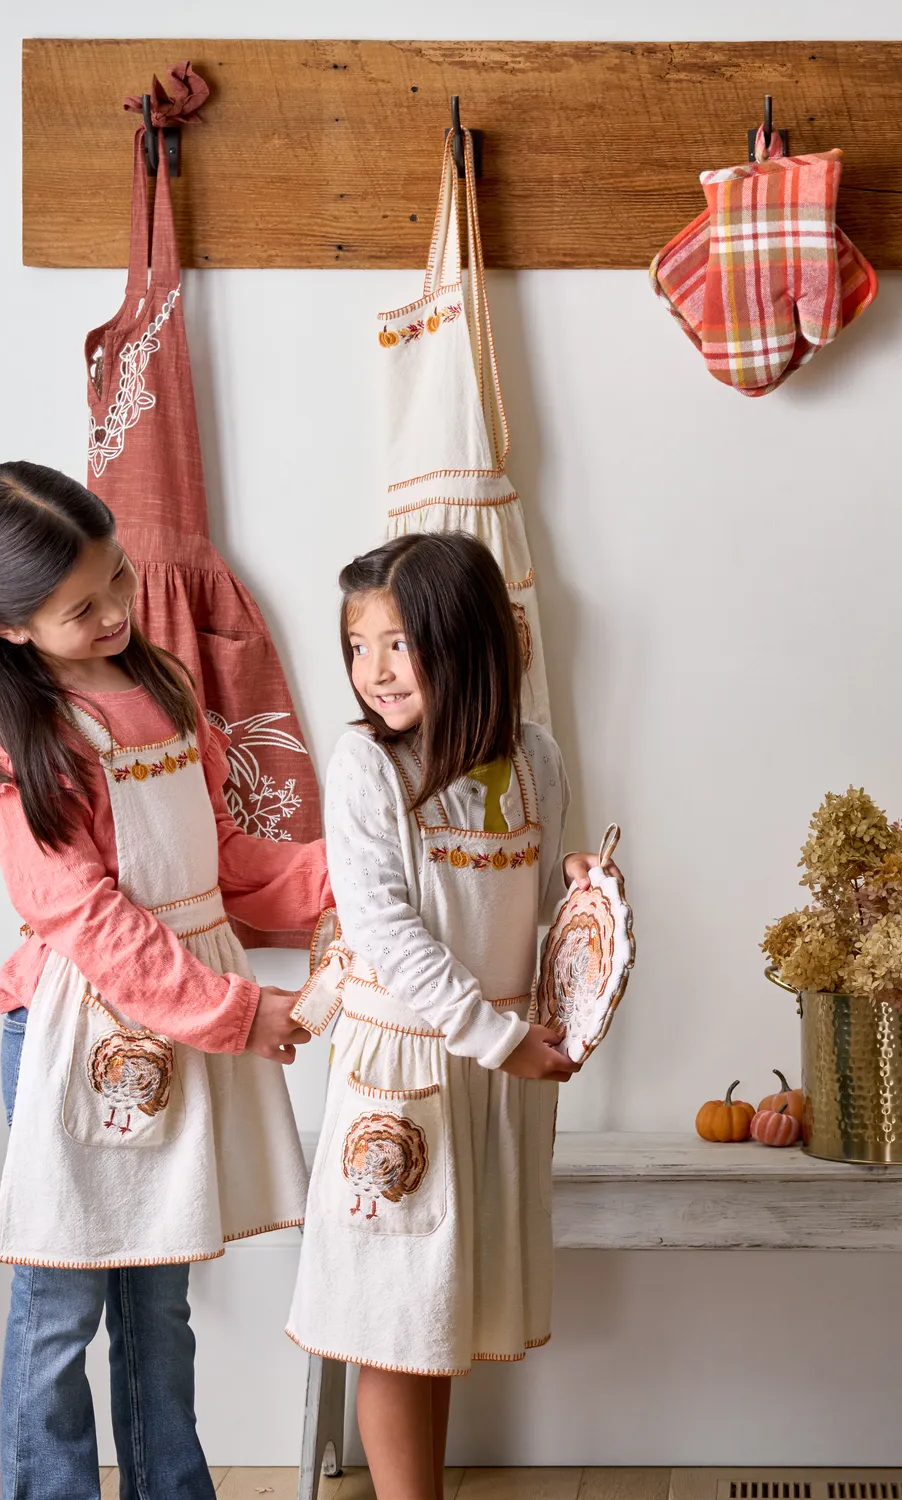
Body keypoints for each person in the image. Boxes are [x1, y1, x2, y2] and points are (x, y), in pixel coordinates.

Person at [0, 461, 324, 1500]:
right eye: (78, 608)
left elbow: (221, 864)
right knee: (60, 1306)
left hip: (175, 1022)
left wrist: (351, 879)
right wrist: (237, 1012)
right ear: (9, 629)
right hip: (66, 1036)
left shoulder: (162, 689)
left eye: (118, 583)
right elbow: (85, 919)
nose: (114, 615)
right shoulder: (27, 744)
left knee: (158, 1306)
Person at [287, 531, 604, 1500]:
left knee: (439, 1310)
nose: (372, 671)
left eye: (397, 643)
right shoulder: (364, 770)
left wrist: (586, 901)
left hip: (492, 1073)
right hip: (405, 1071)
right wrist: (499, 1036)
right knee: (391, 1314)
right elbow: (387, 931)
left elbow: (541, 901)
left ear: (465, 642)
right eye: (356, 646)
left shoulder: (534, 759)